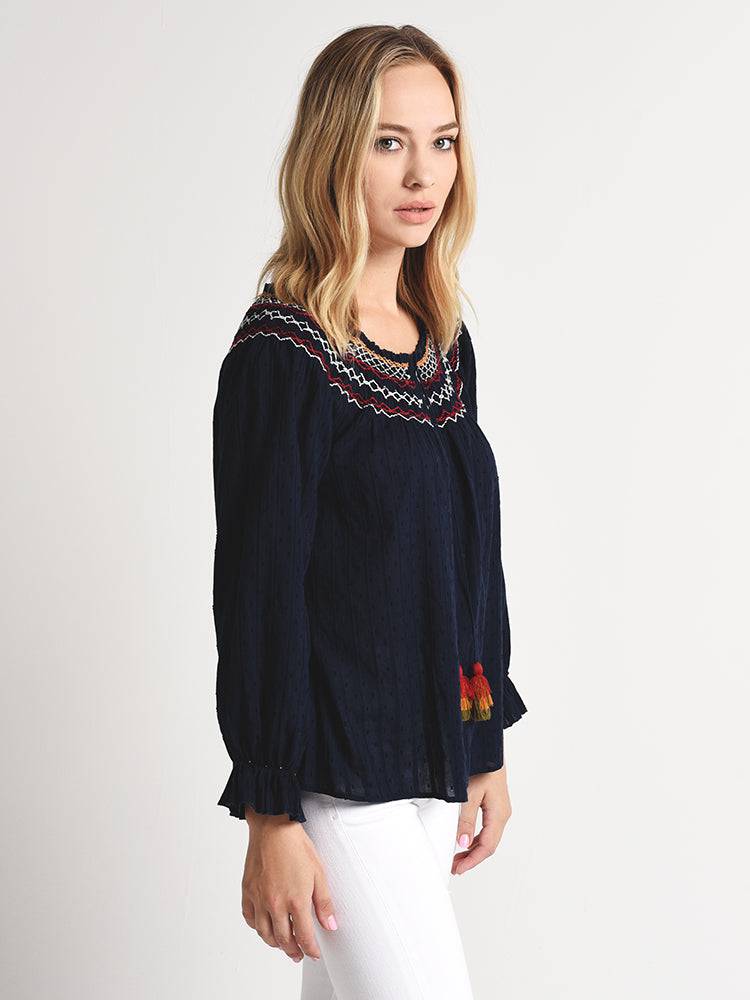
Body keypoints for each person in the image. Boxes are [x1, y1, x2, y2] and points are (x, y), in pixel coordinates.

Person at [211, 23, 529, 1000]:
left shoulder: (442, 343)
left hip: (431, 756)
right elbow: (259, 594)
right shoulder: (284, 355)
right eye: (389, 141)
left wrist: (483, 740)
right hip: (335, 779)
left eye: (443, 141)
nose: (422, 172)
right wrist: (271, 812)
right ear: (335, 150)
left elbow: (467, 564)